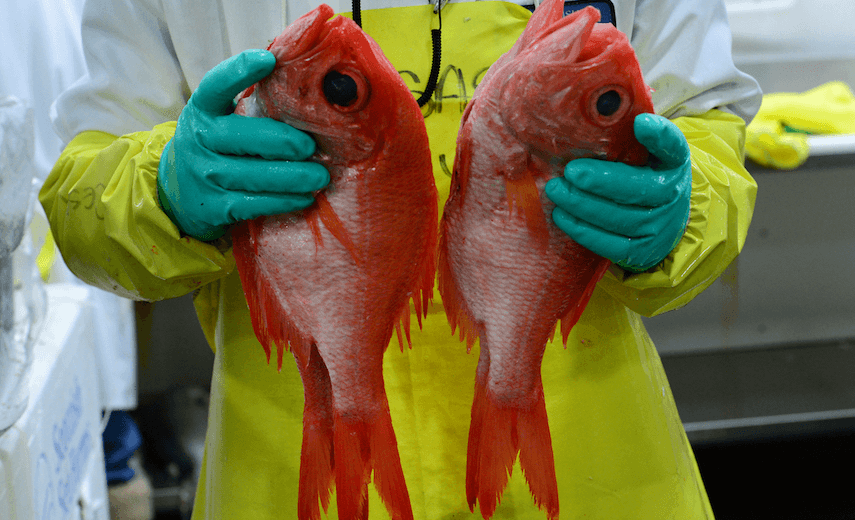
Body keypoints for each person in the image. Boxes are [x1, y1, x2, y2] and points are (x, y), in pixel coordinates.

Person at [41, 0, 760, 518]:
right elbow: (81, 199)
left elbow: (707, 123)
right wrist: (162, 189)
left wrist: (682, 205)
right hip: (296, 470)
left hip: (596, 469)